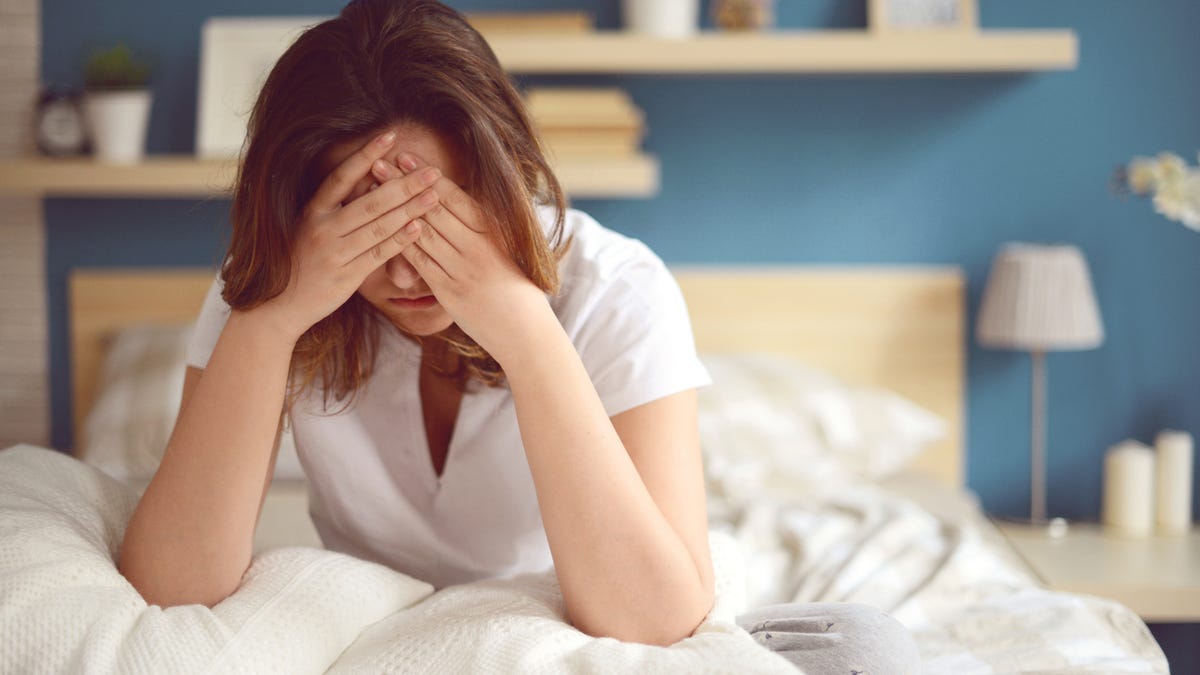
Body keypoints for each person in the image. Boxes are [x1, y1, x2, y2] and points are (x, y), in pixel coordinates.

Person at [117, 1, 923, 666]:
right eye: (368, 232)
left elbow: (657, 617)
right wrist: (276, 316)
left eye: (436, 223)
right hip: (389, 638)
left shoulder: (616, 289)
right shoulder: (269, 288)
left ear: (500, 181)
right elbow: (173, 584)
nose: (406, 276)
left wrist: (524, 328)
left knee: (868, 650)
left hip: (575, 627)